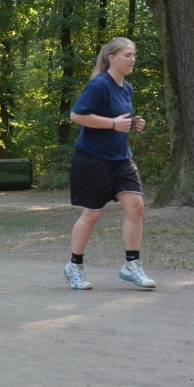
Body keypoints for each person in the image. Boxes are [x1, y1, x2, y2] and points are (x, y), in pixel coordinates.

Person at [63, 37, 156, 291]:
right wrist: (113, 124)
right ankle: (75, 266)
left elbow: (119, 118)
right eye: (127, 55)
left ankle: (131, 265)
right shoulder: (99, 85)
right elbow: (76, 115)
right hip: (93, 158)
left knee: (136, 205)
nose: (133, 59)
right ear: (111, 58)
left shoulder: (127, 87)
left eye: (134, 54)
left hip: (121, 158)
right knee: (92, 214)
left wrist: (132, 124)